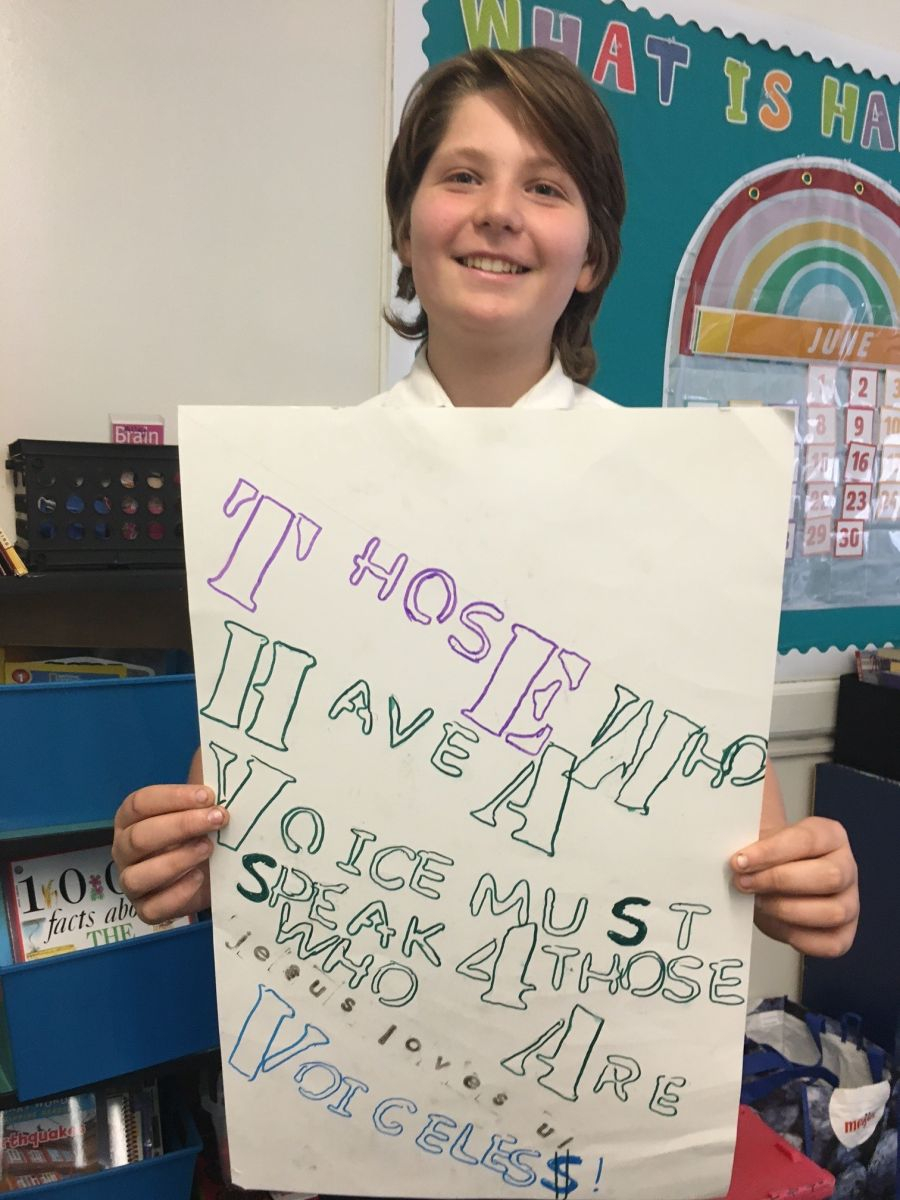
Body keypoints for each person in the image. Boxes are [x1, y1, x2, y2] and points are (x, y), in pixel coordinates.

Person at [112, 46, 858, 960]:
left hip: (597, 1046)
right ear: (405, 227)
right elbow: (226, 805)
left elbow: (752, 839)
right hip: (359, 1036)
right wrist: (165, 854)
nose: (499, 212)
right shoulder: (305, 499)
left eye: (546, 188)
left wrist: (805, 882)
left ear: (592, 258)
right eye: (462, 175)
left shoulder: (682, 502)